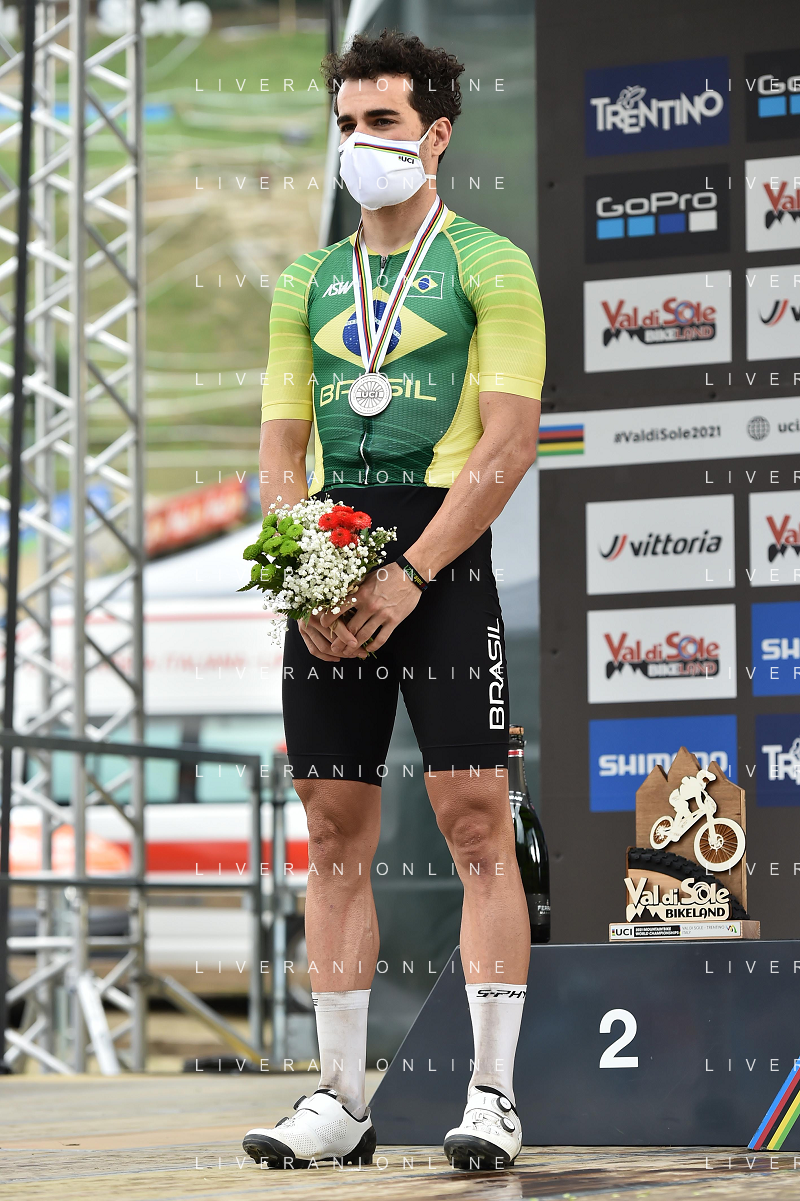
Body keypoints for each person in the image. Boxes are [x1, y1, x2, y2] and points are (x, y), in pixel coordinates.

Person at [242, 29, 545, 1172]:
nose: (358, 141)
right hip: (329, 554)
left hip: (440, 557)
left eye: (381, 122)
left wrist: (411, 571)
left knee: (472, 820)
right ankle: (337, 1098)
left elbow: (506, 443)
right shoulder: (305, 281)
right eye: (346, 123)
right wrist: (305, 574)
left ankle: (491, 1093)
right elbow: (280, 453)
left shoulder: (488, 263)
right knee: (330, 831)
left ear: (435, 134)